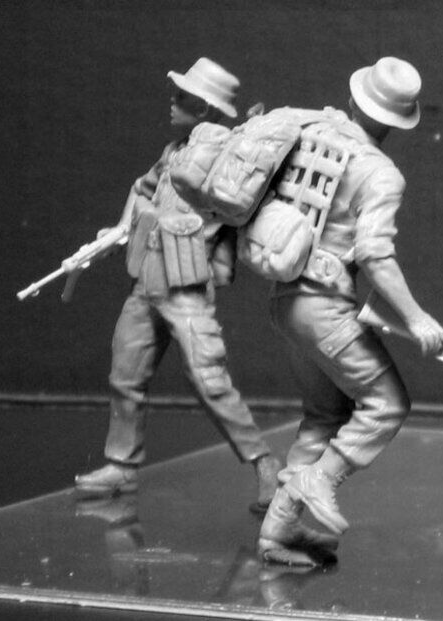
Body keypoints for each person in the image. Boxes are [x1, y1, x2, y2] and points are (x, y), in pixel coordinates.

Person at [257, 57, 443, 565]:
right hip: (324, 305)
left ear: (353, 97)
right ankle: (318, 480)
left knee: (323, 415)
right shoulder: (380, 173)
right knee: (387, 404)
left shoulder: (308, 136)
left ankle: (278, 530)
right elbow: (375, 254)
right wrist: (416, 319)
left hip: (285, 298)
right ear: (397, 121)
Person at [74, 58, 281, 513]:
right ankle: (121, 464)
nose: (172, 103)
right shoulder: (175, 150)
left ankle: (265, 464)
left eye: (182, 97)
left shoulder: (228, 156)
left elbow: (237, 208)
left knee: (210, 381)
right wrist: (120, 228)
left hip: (186, 285)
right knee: (125, 373)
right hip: (148, 276)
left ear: (203, 108)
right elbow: (143, 188)